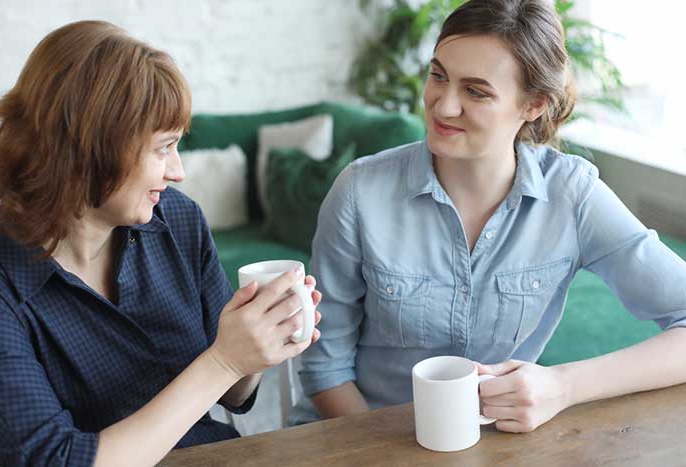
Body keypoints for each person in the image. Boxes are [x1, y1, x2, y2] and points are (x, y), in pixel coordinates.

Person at [290, 0, 686, 432]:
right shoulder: (359, 191)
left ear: (533, 105)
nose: (443, 106)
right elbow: (325, 369)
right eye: (438, 75)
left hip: (495, 445)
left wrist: (564, 385)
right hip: (360, 439)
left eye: (475, 91)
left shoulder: (572, 194)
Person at [0, 21, 321, 467]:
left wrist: (256, 347)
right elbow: (57, 461)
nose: (177, 171)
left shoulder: (177, 220)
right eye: (163, 149)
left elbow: (233, 394)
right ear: (90, 152)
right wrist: (222, 361)